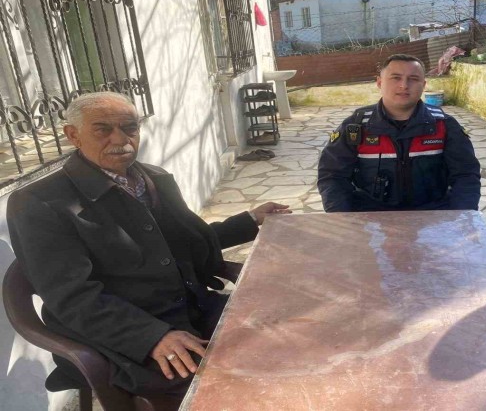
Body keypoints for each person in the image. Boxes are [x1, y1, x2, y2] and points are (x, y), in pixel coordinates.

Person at [7, 92, 290, 396]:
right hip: (125, 336)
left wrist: (248, 220)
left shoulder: (154, 178)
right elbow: (71, 297)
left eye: (129, 127)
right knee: (230, 387)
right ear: (73, 135)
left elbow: (187, 240)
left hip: (193, 309)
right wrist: (152, 337)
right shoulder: (40, 203)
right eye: (103, 129)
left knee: (287, 337)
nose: (121, 139)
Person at [318, 54, 481, 212]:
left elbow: (466, 175)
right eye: (396, 78)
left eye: (413, 79)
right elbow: (333, 176)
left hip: (432, 215)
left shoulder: (444, 125)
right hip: (370, 217)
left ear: (423, 85)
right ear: (380, 83)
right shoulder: (355, 126)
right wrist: (342, 219)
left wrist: (461, 217)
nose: (404, 85)